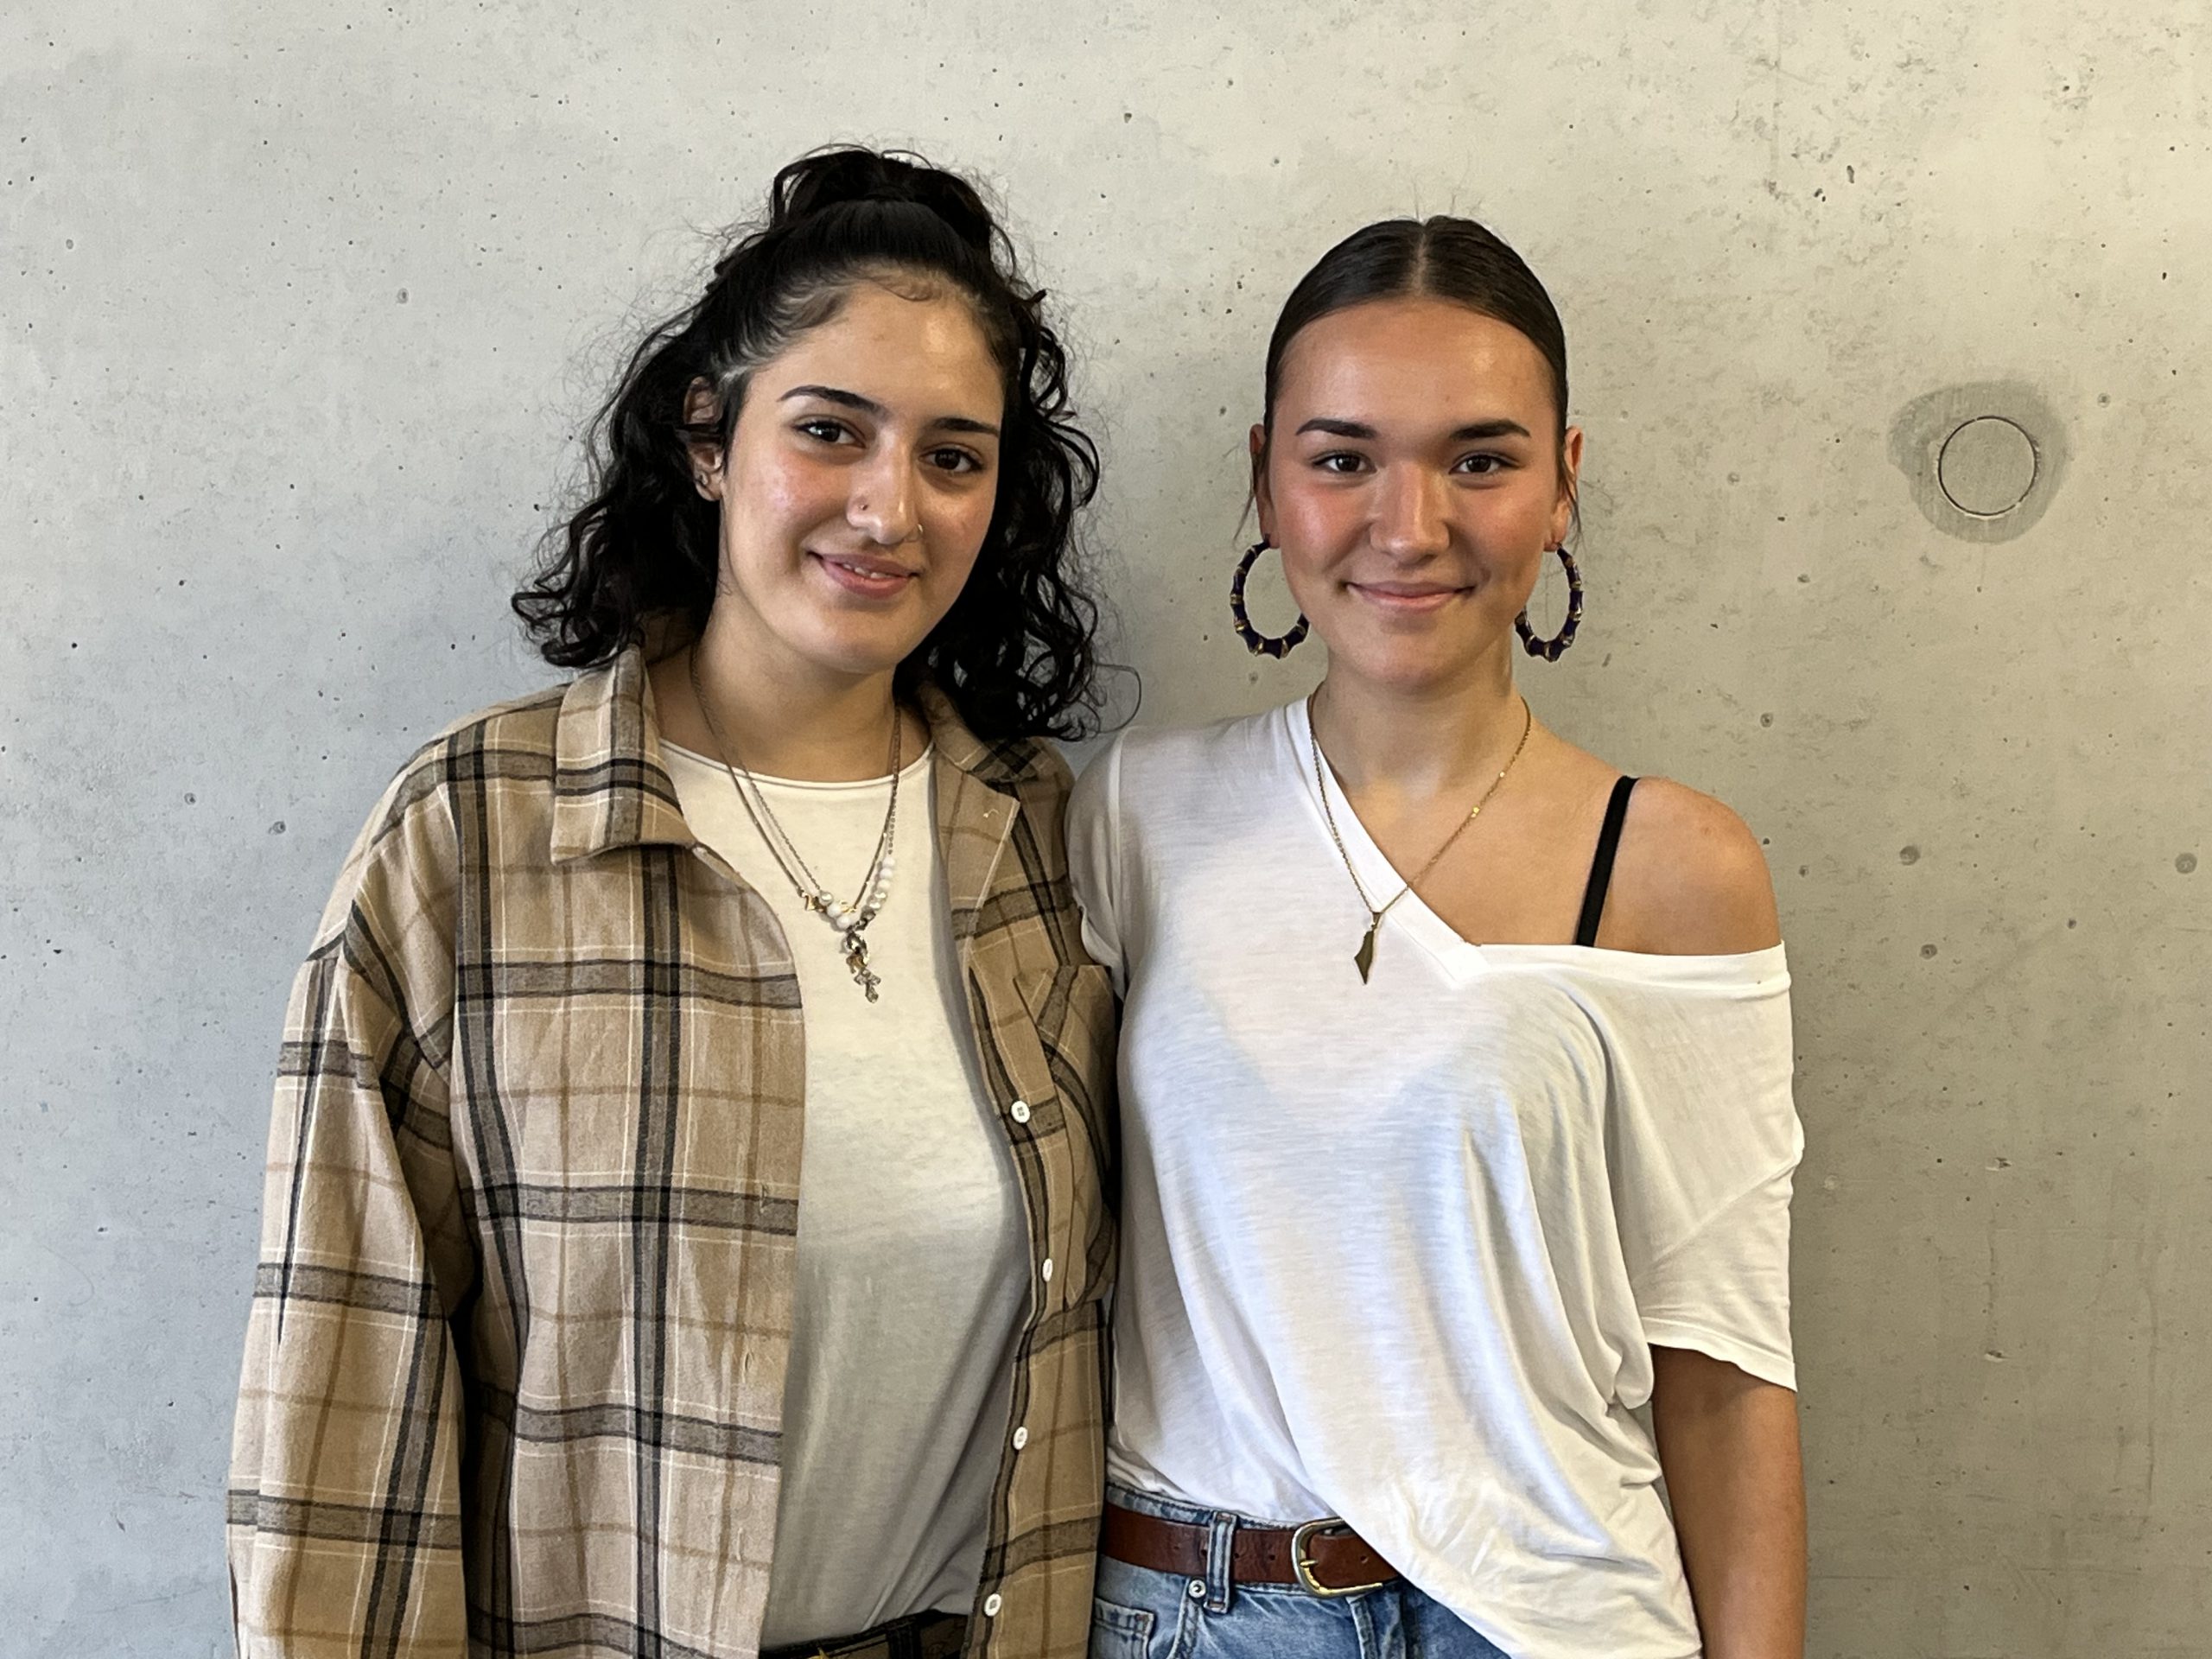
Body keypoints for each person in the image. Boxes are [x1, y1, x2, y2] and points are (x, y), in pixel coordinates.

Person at [228, 147, 1119, 1659]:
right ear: (708, 436)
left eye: (954, 457)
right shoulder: (477, 834)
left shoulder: (1042, 836)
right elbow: (342, 1394)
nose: (888, 508)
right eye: (829, 430)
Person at [1071, 216, 1806, 1659]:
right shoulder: (1137, 816)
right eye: (1343, 459)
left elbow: (1726, 1367)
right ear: (1266, 481)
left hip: (1550, 1619)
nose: (1408, 527)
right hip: (1197, 1613)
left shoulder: (1675, 868)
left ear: (1564, 483)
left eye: (1480, 460)